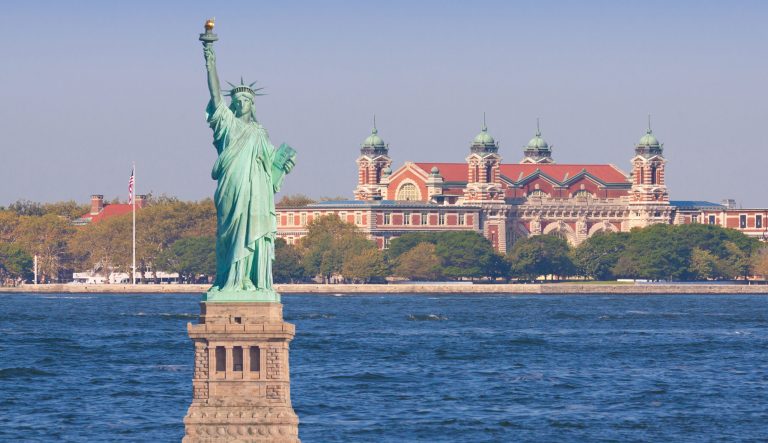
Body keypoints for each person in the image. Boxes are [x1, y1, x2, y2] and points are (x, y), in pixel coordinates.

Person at [202, 40, 295, 298]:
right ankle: (231, 280)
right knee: (231, 233)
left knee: (254, 230)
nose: (242, 102)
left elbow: (271, 168)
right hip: (233, 186)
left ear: (253, 105)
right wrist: (210, 60)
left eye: (246, 99)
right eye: (238, 99)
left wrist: (283, 165)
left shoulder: (259, 132)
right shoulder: (227, 125)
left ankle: (253, 281)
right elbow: (215, 94)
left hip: (258, 191)